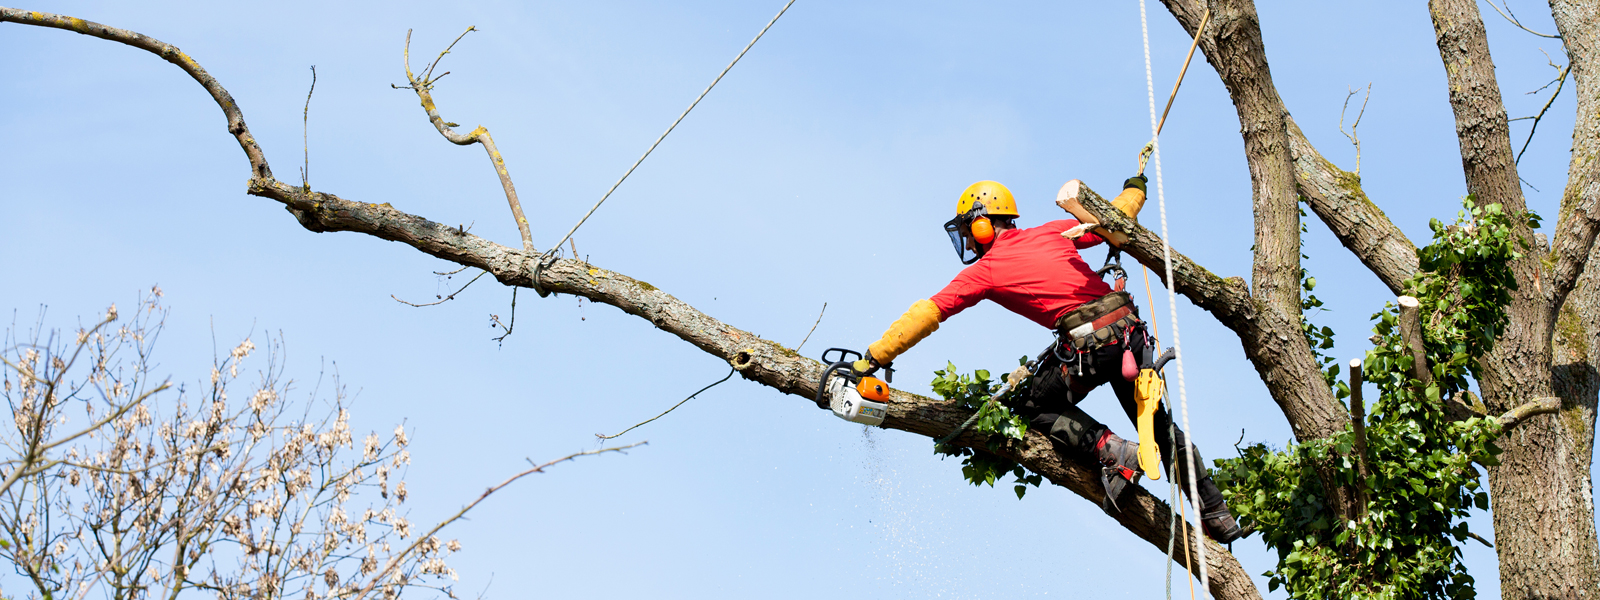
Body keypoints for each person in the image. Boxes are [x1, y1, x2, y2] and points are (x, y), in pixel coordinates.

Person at [858, 178, 1245, 543]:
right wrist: (1134, 189)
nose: (971, 245)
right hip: (1129, 336)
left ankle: (1113, 450)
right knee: (1159, 428)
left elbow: (928, 313)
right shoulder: (1051, 231)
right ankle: (1217, 513)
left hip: (1090, 346)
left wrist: (875, 356)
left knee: (1030, 406)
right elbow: (1115, 215)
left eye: (969, 233)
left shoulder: (986, 270)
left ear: (981, 226)